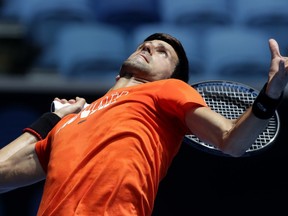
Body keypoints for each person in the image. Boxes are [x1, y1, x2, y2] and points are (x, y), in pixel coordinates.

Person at [0, 33, 287, 216]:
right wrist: (53, 119)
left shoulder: (167, 90)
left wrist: (271, 94)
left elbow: (232, 142)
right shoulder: (70, 122)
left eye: (163, 52)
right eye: (146, 44)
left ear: (169, 77)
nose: (150, 46)